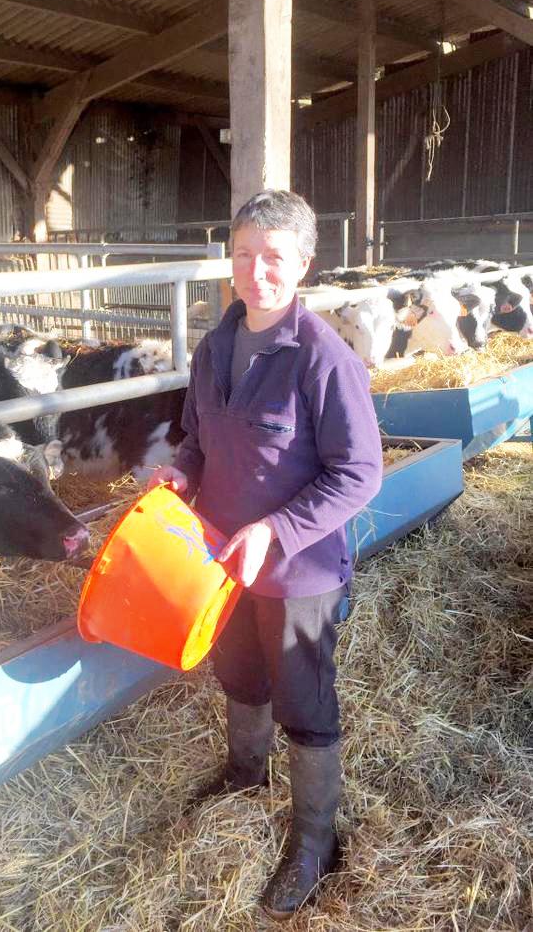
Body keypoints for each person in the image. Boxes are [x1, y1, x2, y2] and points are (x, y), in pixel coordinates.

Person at [148, 189, 383, 920]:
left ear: (303, 265)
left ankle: (314, 843)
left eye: (273, 256)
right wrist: (179, 471)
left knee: (303, 700)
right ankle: (244, 774)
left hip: (296, 568)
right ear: (229, 259)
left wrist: (276, 530)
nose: (256, 271)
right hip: (220, 557)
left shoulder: (322, 357)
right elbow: (197, 437)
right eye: (244, 254)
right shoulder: (214, 345)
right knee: (239, 673)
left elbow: (358, 473)